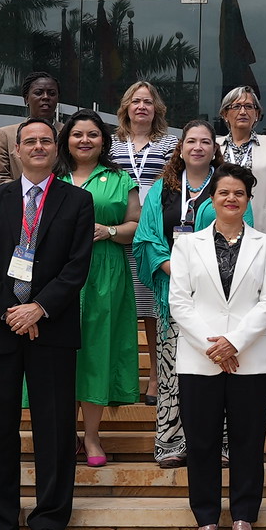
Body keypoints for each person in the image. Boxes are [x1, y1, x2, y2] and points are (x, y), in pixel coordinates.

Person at [0, 117, 94, 530]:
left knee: (55, 427)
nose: (38, 147)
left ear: (56, 149)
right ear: (16, 150)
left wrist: (39, 307)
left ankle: (49, 519)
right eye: (30, 142)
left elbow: (77, 266)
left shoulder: (78, 201)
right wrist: (11, 311)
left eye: (45, 141)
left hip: (52, 327)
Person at [168, 160, 266, 530]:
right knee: (201, 443)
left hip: (251, 359)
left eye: (238, 193)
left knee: (248, 442)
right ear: (211, 200)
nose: (231, 198)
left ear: (248, 199)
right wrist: (214, 346)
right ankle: (205, 519)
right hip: (199, 359)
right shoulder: (186, 244)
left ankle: (243, 518)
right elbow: (179, 303)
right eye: (223, 193)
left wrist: (234, 342)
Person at [132, 119, 221, 470]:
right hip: (173, 292)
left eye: (205, 141)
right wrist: (171, 268)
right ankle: (171, 443)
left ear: (215, 149)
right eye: (191, 141)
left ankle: (220, 443)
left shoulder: (226, 186)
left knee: (217, 366)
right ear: (180, 148)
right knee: (173, 366)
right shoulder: (162, 189)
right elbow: (146, 237)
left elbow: (241, 226)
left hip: (218, 291)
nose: (198, 147)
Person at [55, 111, 141, 466]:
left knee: (96, 352)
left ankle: (91, 437)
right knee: (61, 355)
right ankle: (64, 434)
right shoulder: (52, 177)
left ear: (104, 141)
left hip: (105, 271)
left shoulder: (120, 179)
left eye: (93, 134)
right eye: (77, 134)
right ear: (67, 140)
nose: (85, 140)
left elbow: (136, 225)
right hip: (58, 275)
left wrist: (108, 231)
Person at [110, 81, 178, 407]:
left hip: (153, 232)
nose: (141, 107)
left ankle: (155, 374)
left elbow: (175, 183)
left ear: (156, 109)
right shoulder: (111, 144)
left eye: (148, 102)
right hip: (120, 230)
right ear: (126, 107)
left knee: (151, 308)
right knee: (123, 307)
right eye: (135, 101)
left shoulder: (169, 143)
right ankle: (120, 377)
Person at [216, 86, 266, 235]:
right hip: (220, 226)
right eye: (236, 106)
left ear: (257, 114)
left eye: (248, 106)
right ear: (225, 114)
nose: (243, 112)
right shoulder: (214, 147)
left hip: (261, 226)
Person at [0, 72, 60, 184]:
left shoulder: (70, 134)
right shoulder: (6, 135)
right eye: (39, 93)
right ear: (26, 99)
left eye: (52, 93)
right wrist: (26, 193)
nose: (45, 97)